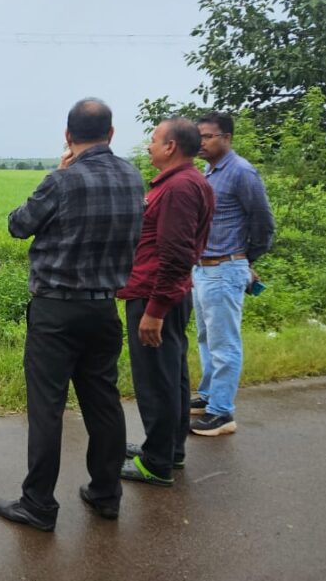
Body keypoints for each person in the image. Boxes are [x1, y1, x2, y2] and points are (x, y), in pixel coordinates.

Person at [0, 98, 145, 531]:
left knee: (47, 407)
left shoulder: (62, 181)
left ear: (67, 135)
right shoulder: (135, 177)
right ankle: (106, 493)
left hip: (56, 310)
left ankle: (38, 504)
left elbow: (18, 224)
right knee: (103, 401)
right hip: (104, 308)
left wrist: (59, 173)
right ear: (111, 133)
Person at [117, 118, 215, 486]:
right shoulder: (188, 182)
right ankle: (168, 450)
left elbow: (175, 256)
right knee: (172, 377)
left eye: (155, 140)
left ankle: (155, 463)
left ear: (171, 146)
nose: (149, 146)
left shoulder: (178, 188)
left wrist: (154, 312)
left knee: (155, 380)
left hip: (155, 297)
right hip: (166, 294)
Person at [190, 112, 276, 436]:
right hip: (203, 269)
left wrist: (244, 259)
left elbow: (264, 223)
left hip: (225, 268)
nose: (201, 142)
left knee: (224, 343)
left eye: (208, 136)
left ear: (226, 137)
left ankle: (222, 413)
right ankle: (209, 396)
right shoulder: (209, 172)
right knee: (206, 338)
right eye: (199, 136)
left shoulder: (241, 172)